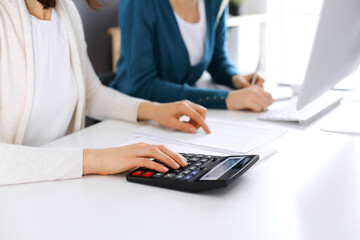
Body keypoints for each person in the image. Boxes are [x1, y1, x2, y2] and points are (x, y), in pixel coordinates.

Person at [0, 0, 211, 185]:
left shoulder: (65, 10)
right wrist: (95, 160)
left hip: (56, 182)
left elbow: (91, 93)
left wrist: (153, 110)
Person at [110, 0, 274, 112]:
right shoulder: (140, 3)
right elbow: (144, 86)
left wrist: (235, 78)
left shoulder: (215, 3)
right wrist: (226, 99)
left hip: (179, 115)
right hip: (133, 116)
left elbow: (217, 60)